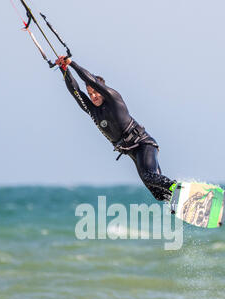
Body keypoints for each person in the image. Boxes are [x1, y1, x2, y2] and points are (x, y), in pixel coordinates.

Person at [56, 56, 177, 202]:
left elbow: (92, 81)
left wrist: (72, 64)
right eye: (90, 94)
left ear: (102, 90)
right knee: (158, 194)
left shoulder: (114, 99)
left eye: (95, 92)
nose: (93, 96)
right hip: (131, 151)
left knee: (149, 176)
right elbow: (76, 93)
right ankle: (180, 201)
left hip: (143, 143)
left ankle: (178, 188)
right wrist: (64, 70)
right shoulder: (92, 110)